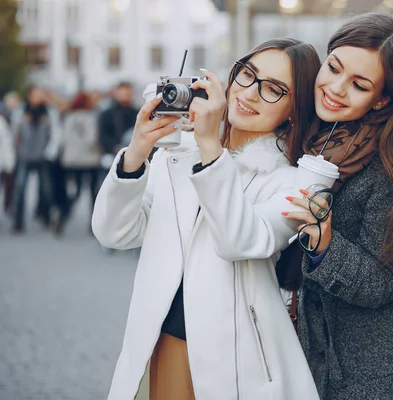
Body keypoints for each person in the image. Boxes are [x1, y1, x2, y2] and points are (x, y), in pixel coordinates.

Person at [91, 39, 321, 400]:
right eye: (248, 75)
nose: (251, 93)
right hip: (161, 338)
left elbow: (239, 241)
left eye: (274, 89)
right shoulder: (178, 155)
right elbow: (114, 233)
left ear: (295, 108)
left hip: (236, 359)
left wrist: (211, 148)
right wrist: (137, 152)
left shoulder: (291, 182)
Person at [282, 13, 393, 399]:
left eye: (358, 84)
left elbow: (382, 283)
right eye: (334, 68)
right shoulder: (313, 135)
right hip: (326, 363)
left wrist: (325, 244)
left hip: (388, 376)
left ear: (381, 99)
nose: (335, 88)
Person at [11, 85, 62, 234]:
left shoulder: (49, 112)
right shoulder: (21, 111)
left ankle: (45, 216)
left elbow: (55, 133)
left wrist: (50, 152)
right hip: (24, 155)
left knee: (45, 189)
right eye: (36, 94)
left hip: (42, 156)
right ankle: (18, 222)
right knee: (20, 189)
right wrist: (15, 152)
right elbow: (15, 133)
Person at [58, 91, 102, 234]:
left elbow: (64, 138)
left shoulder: (69, 117)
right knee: (92, 192)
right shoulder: (91, 117)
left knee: (75, 192)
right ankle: (93, 225)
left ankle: (63, 217)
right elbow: (91, 139)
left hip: (72, 159)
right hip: (90, 160)